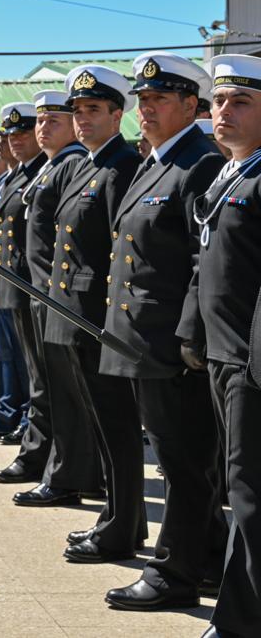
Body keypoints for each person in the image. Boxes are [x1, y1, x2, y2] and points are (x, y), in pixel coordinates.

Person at [100, 53, 227, 610]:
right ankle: (211, 561)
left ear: (191, 105)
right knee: (181, 458)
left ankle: (174, 574)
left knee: (181, 462)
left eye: (159, 100)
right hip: (138, 334)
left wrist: (188, 338)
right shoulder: (157, 162)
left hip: (170, 341)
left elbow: (204, 262)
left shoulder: (198, 163)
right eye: (142, 100)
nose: (145, 109)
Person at [42, 65, 147, 560]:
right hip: (75, 313)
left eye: (93, 111)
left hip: (100, 318)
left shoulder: (122, 166)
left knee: (119, 428)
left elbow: (120, 252)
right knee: (103, 425)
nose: (82, 120)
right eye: (78, 111)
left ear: (117, 114)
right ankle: (114, 518)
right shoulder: (85, 163)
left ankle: (124, 526)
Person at [181, 53, 261, 638]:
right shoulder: (232, 171)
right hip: (222, 355)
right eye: (219, 102)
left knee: (250, 496)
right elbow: (206, 261)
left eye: (241, 102)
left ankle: (238, 623)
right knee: (240, 491)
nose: (223, 113)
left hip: (249, 364)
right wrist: (192, 329)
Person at [0, 91, 101, 495]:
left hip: (53, 294)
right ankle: (49, 462)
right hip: (37, 292)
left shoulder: (72, 164)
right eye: (40, 121)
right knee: (47, 385)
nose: (42, 129)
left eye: (52, 121)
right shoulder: (50, 166)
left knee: (62, 391)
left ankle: (67, 473)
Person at [0, 104, 43, 442]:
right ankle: (8, 414)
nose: (12, 141)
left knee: (27, 360)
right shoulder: (8, 179)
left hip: (23, 283)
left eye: (21, 133)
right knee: (7, 354)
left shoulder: (39, 173)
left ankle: (26, 420)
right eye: (7, 135)